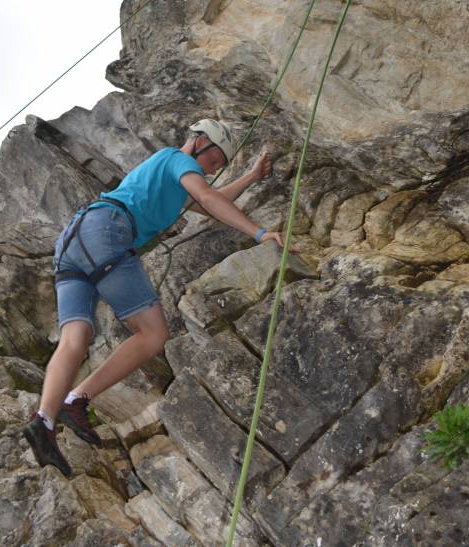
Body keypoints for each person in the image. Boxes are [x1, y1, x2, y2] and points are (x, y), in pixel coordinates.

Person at [23, 118, 284, 476]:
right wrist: (260, 233)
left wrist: (252, 176)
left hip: (73, 240)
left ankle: (44, 421)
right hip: (106, 231)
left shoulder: (174, 175)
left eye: (218, 167)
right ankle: (76, 399)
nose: (211, 170)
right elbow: (207, 196)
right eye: (213, 161)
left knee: (76, 337)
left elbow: (210, 201)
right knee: (154, 333)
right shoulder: (178, 159)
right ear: (199, 141)